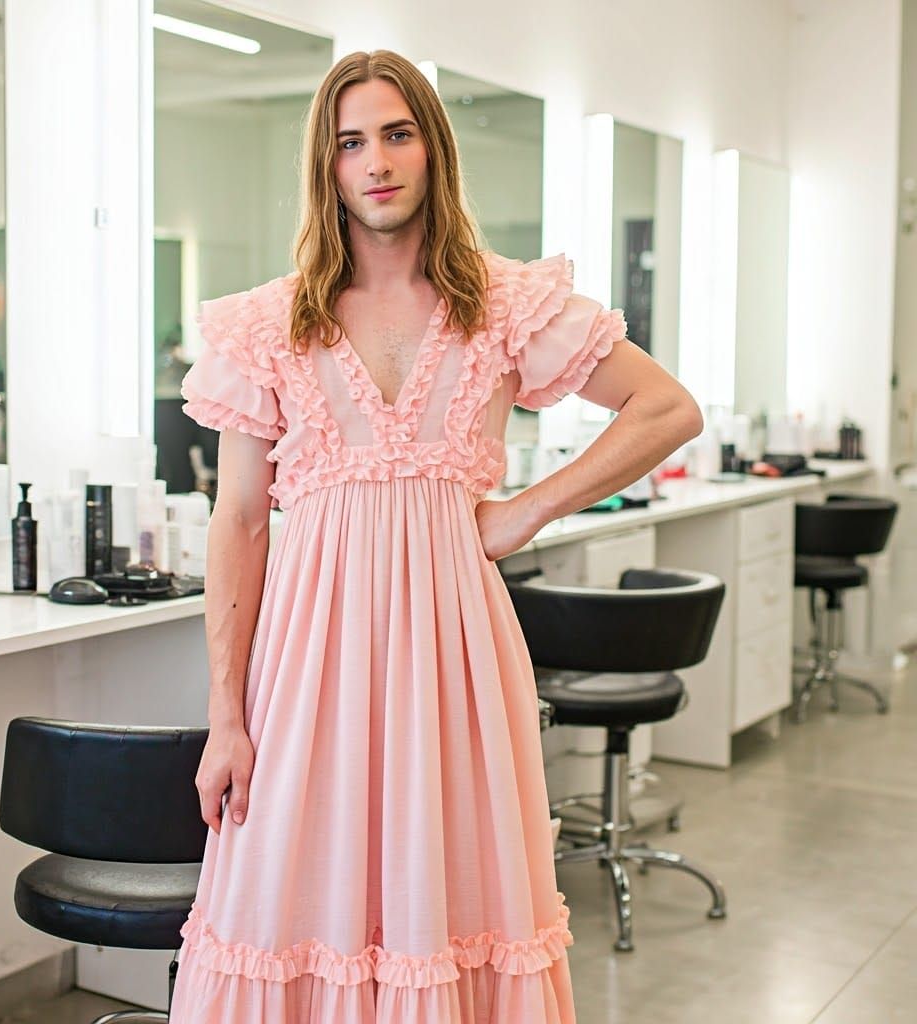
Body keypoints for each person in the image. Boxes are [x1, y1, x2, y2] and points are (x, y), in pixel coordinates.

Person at [170, 50, 703, 1023]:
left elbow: (664, 409)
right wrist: (226, 715)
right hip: (305, 668)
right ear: (326, 166)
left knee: (450, 900)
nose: (375, 160)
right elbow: (241, 519)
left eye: (397, 133)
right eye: (350, 142)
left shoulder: (502, 304)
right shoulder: (266, 323)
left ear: (433, 148)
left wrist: (528, 506)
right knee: (286, 899)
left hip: (454, 661)